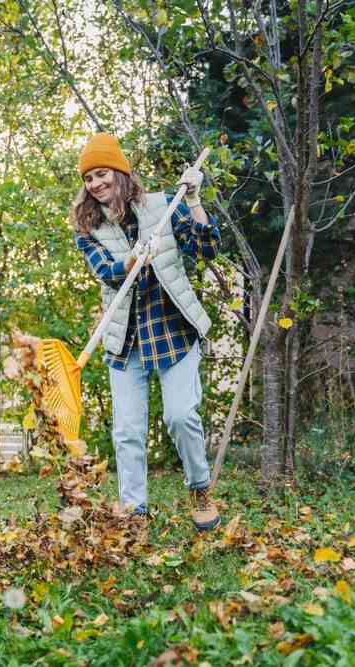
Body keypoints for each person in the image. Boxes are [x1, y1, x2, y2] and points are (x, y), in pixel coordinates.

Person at [71, 132, 221, 531]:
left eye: (102, 174)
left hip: (173, 328)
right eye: (88, 178)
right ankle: (133, 514)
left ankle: (200, 487)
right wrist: (132, 260)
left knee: (181, 415)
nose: (96, 184)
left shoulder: (162, 205)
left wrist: (192, 201)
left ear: (120, 173)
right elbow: (105, 270)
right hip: (127, 339)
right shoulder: (89, 228)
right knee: (128, 432)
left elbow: (205, 249)